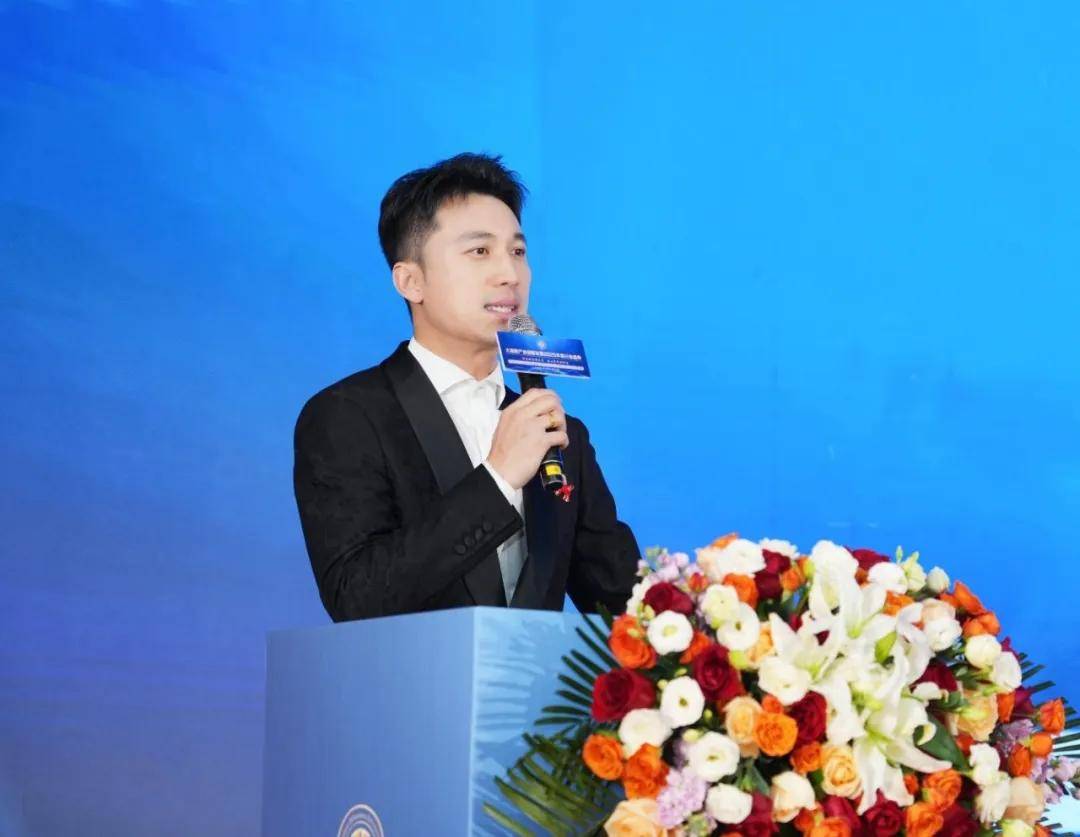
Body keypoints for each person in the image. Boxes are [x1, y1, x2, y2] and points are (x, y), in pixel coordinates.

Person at [293, 152, 639, 621]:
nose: (509, 274)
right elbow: (356, 597)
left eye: (518, 252)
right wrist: (498, 478)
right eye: (480, 251)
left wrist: (711, 604)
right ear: (411, 281)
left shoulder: (559, 435)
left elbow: (625, 602)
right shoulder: (347, 416)